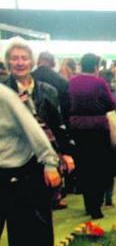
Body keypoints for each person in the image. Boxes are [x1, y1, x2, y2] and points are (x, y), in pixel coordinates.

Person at [0, 84, 68, 246]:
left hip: (17, 167)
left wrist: (49, 162)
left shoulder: (5, 97)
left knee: (28, 228)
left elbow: (33, 129)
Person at [4, 38, 75, 217]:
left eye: (24, 58)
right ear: (7, 62)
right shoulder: (3, 91)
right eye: (14, 58)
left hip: (40, 161)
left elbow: (58, 124)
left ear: (32, 62)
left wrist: (66, 153)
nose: (20, 63)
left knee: (38, 214)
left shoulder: (48, 91)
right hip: (9, 161)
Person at [68, 52, 116, 219]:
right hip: (98, 128)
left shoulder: (72, 82)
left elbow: (66, 103)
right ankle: (96, 207)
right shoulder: (100, 82)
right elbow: (111, 104)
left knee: (84, 167)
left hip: (77, 129)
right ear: (96, 67)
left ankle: (88, 204)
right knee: (99, 167)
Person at [33, 51, 71, 122]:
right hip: (55, 124)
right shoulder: (63, 81)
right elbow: (66, 109)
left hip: (33, 124)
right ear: (53, 64)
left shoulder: (28, 78)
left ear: (38, 62)